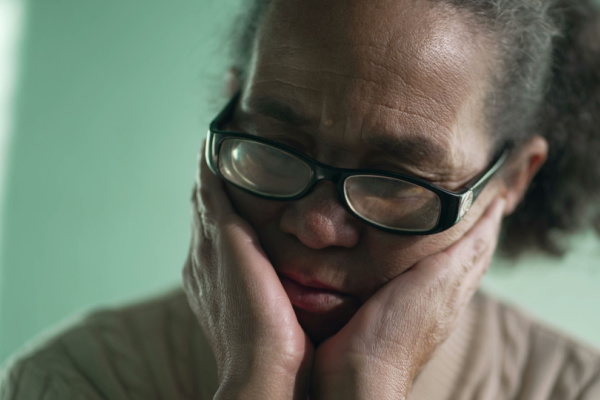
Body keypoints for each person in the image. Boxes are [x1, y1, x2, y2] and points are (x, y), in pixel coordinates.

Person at [2, 0, 600, 399]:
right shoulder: (79, 380)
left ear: (514, 179)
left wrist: (374, 381)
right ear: (233, 108)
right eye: (275, 143)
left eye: (396, 179)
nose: (315, 226)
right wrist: (256, 377)